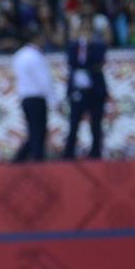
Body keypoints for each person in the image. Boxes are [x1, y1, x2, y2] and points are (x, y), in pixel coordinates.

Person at [63, 18, 109, 160]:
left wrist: (88, 47)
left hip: (95, 91)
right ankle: (68, 154)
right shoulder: (73, 47)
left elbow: (97, 62)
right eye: (83, 30)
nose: (85, 33)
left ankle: (95, 153)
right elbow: (73, 63)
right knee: (74, 124)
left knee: (96, 124)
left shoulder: (98, 46)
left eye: (88, 30)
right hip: (77, 91)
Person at [12, 32, 55, 162]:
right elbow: (44, 80)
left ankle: (20, 160)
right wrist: (54, 100)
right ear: (36, 38)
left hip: (25, 98)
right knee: (38, 133)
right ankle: (35, 161)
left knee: (33, 132)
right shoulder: (36, 56)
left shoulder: (19, 55)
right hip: (37, 97)